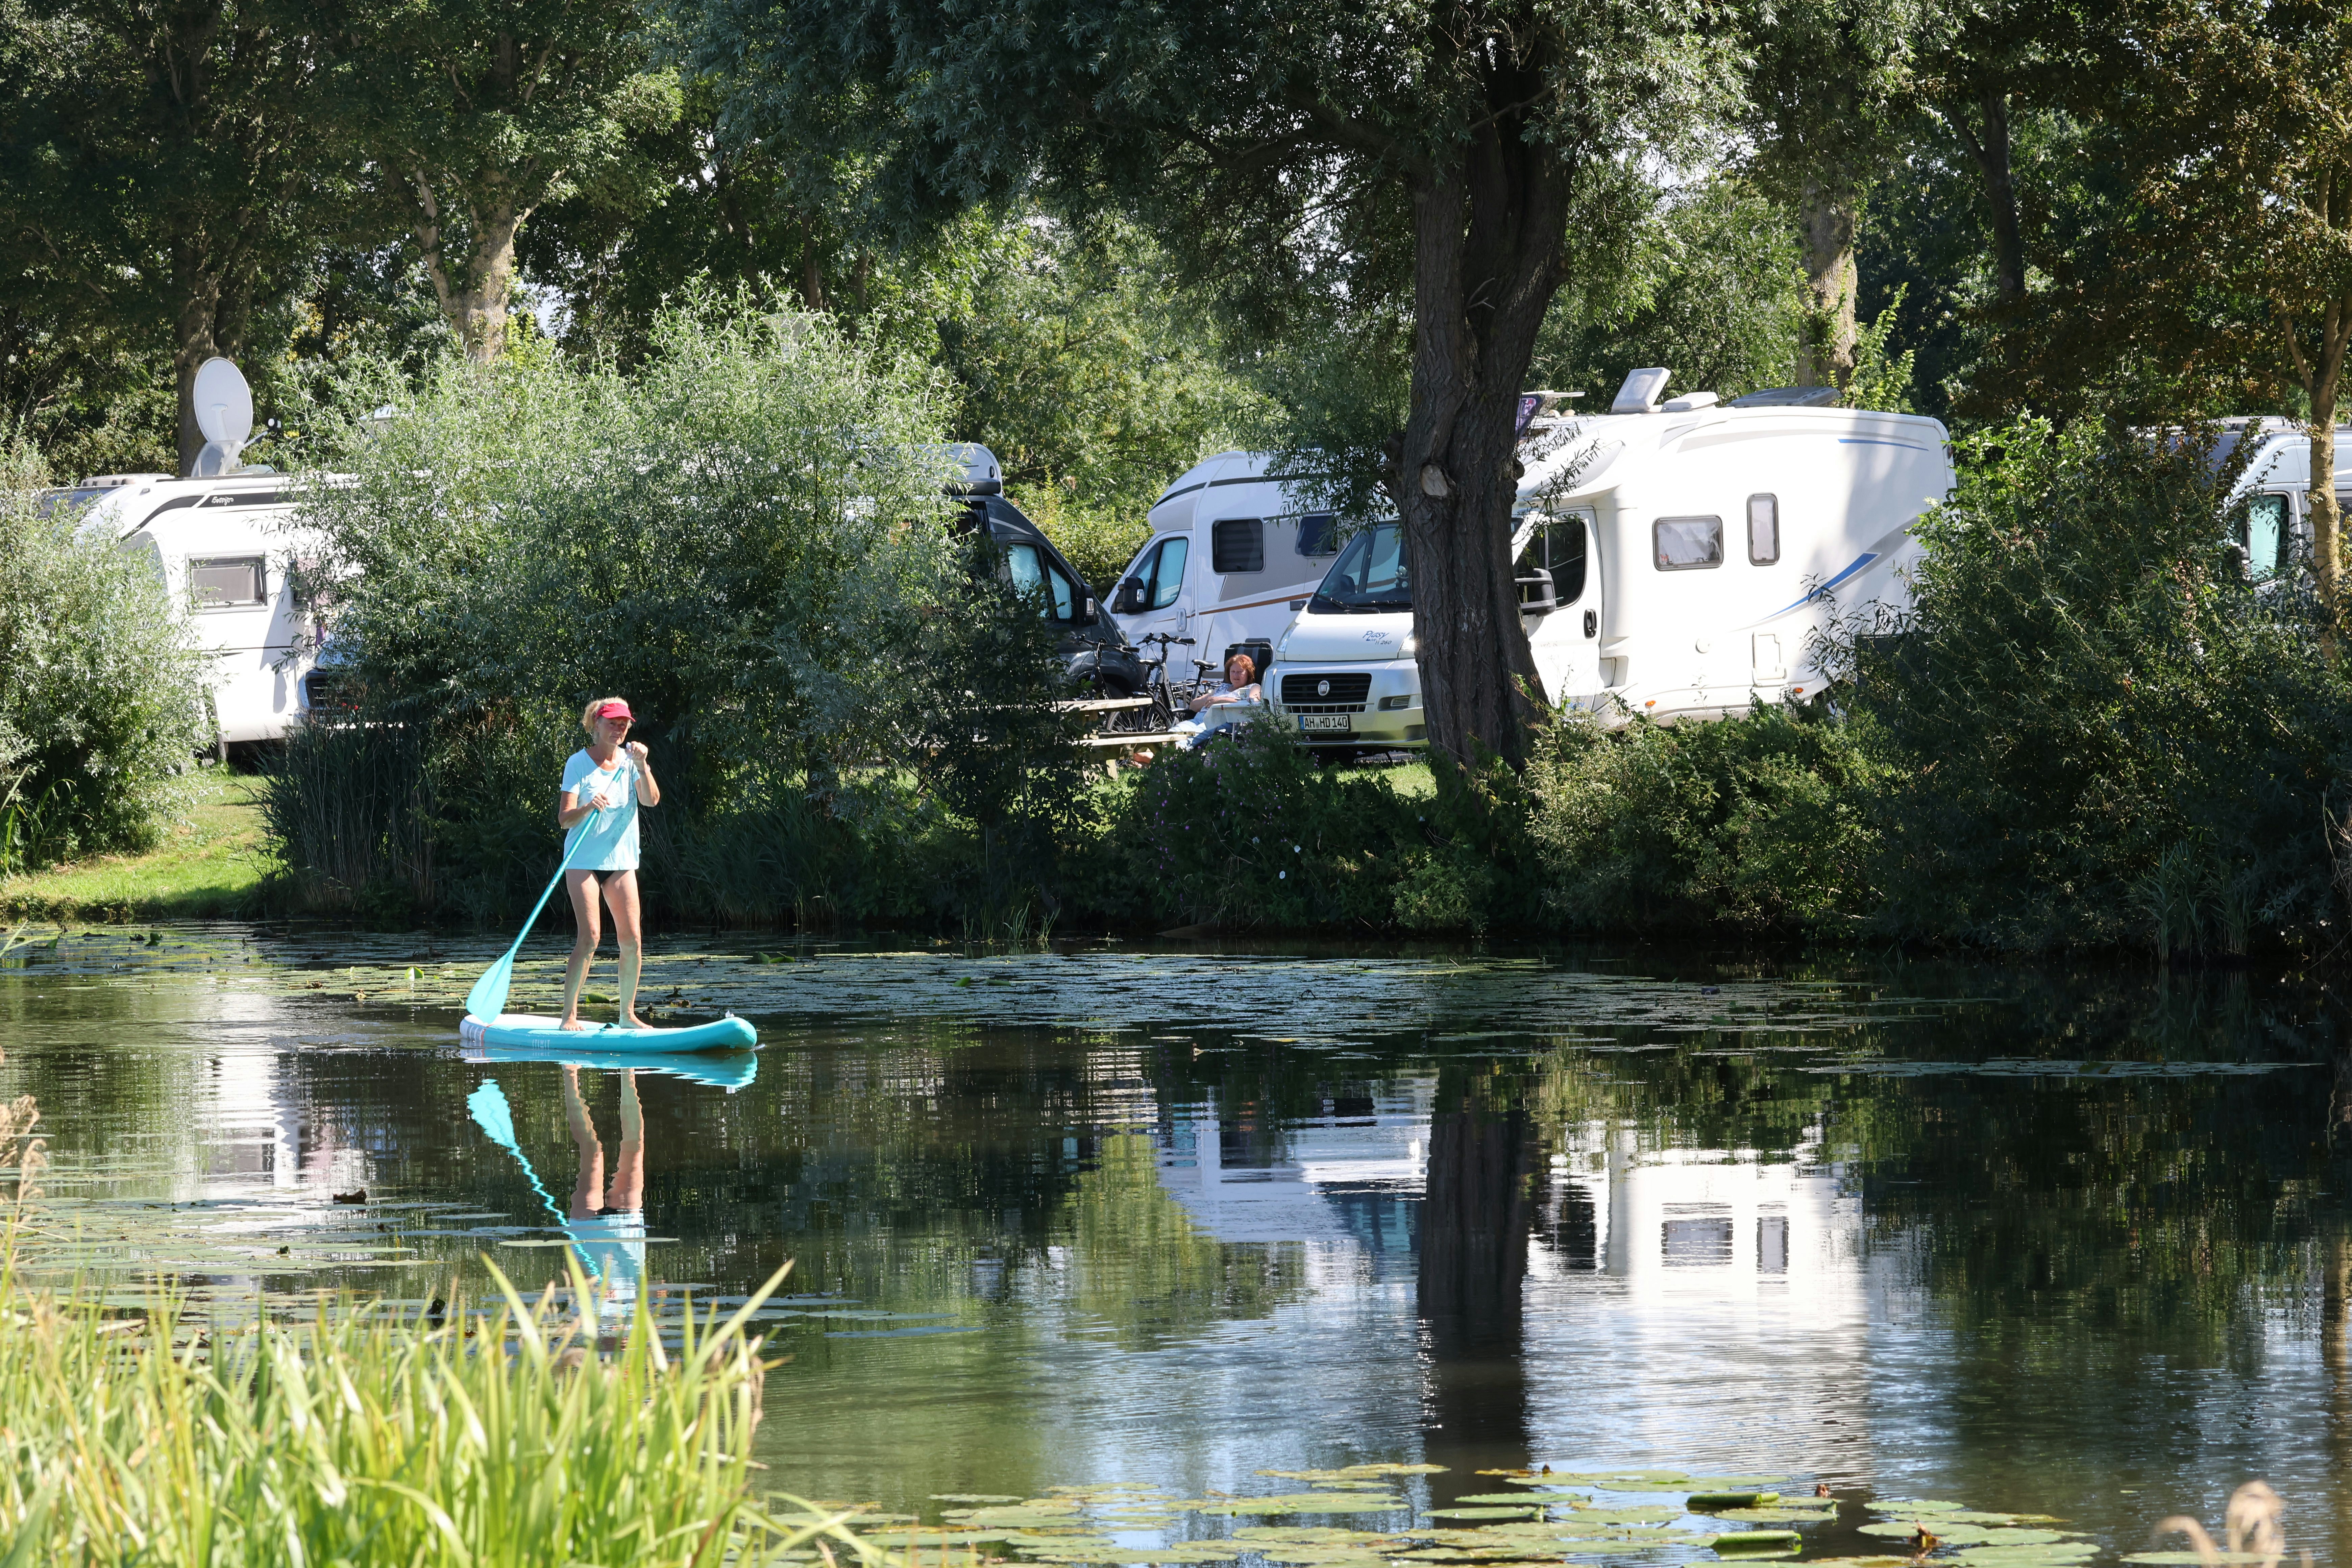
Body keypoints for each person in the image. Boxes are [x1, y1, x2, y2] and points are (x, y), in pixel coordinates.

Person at [557, 697, 662, 1031]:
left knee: (632, 939)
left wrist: (643, 766)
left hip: (621, 861)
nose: (619, 729)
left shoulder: (632, 762)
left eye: (624, 724)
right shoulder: (577, 763)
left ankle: (627, 1014)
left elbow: (651, 801)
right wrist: (588, 806)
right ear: (596, 724)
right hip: (583, 861)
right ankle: (569, 1017)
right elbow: (564, 819)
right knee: (590, 937)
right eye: (612, 722)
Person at [561, 1064, 646, 1326]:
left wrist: (591, 1290)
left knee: (592, 1151)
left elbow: (570, 1281)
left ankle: (570, 1075)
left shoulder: (585, 1328)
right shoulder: (635, 1329)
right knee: (635, 1146)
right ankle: (627, 1073)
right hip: (628, 1232)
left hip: (587, 1234)